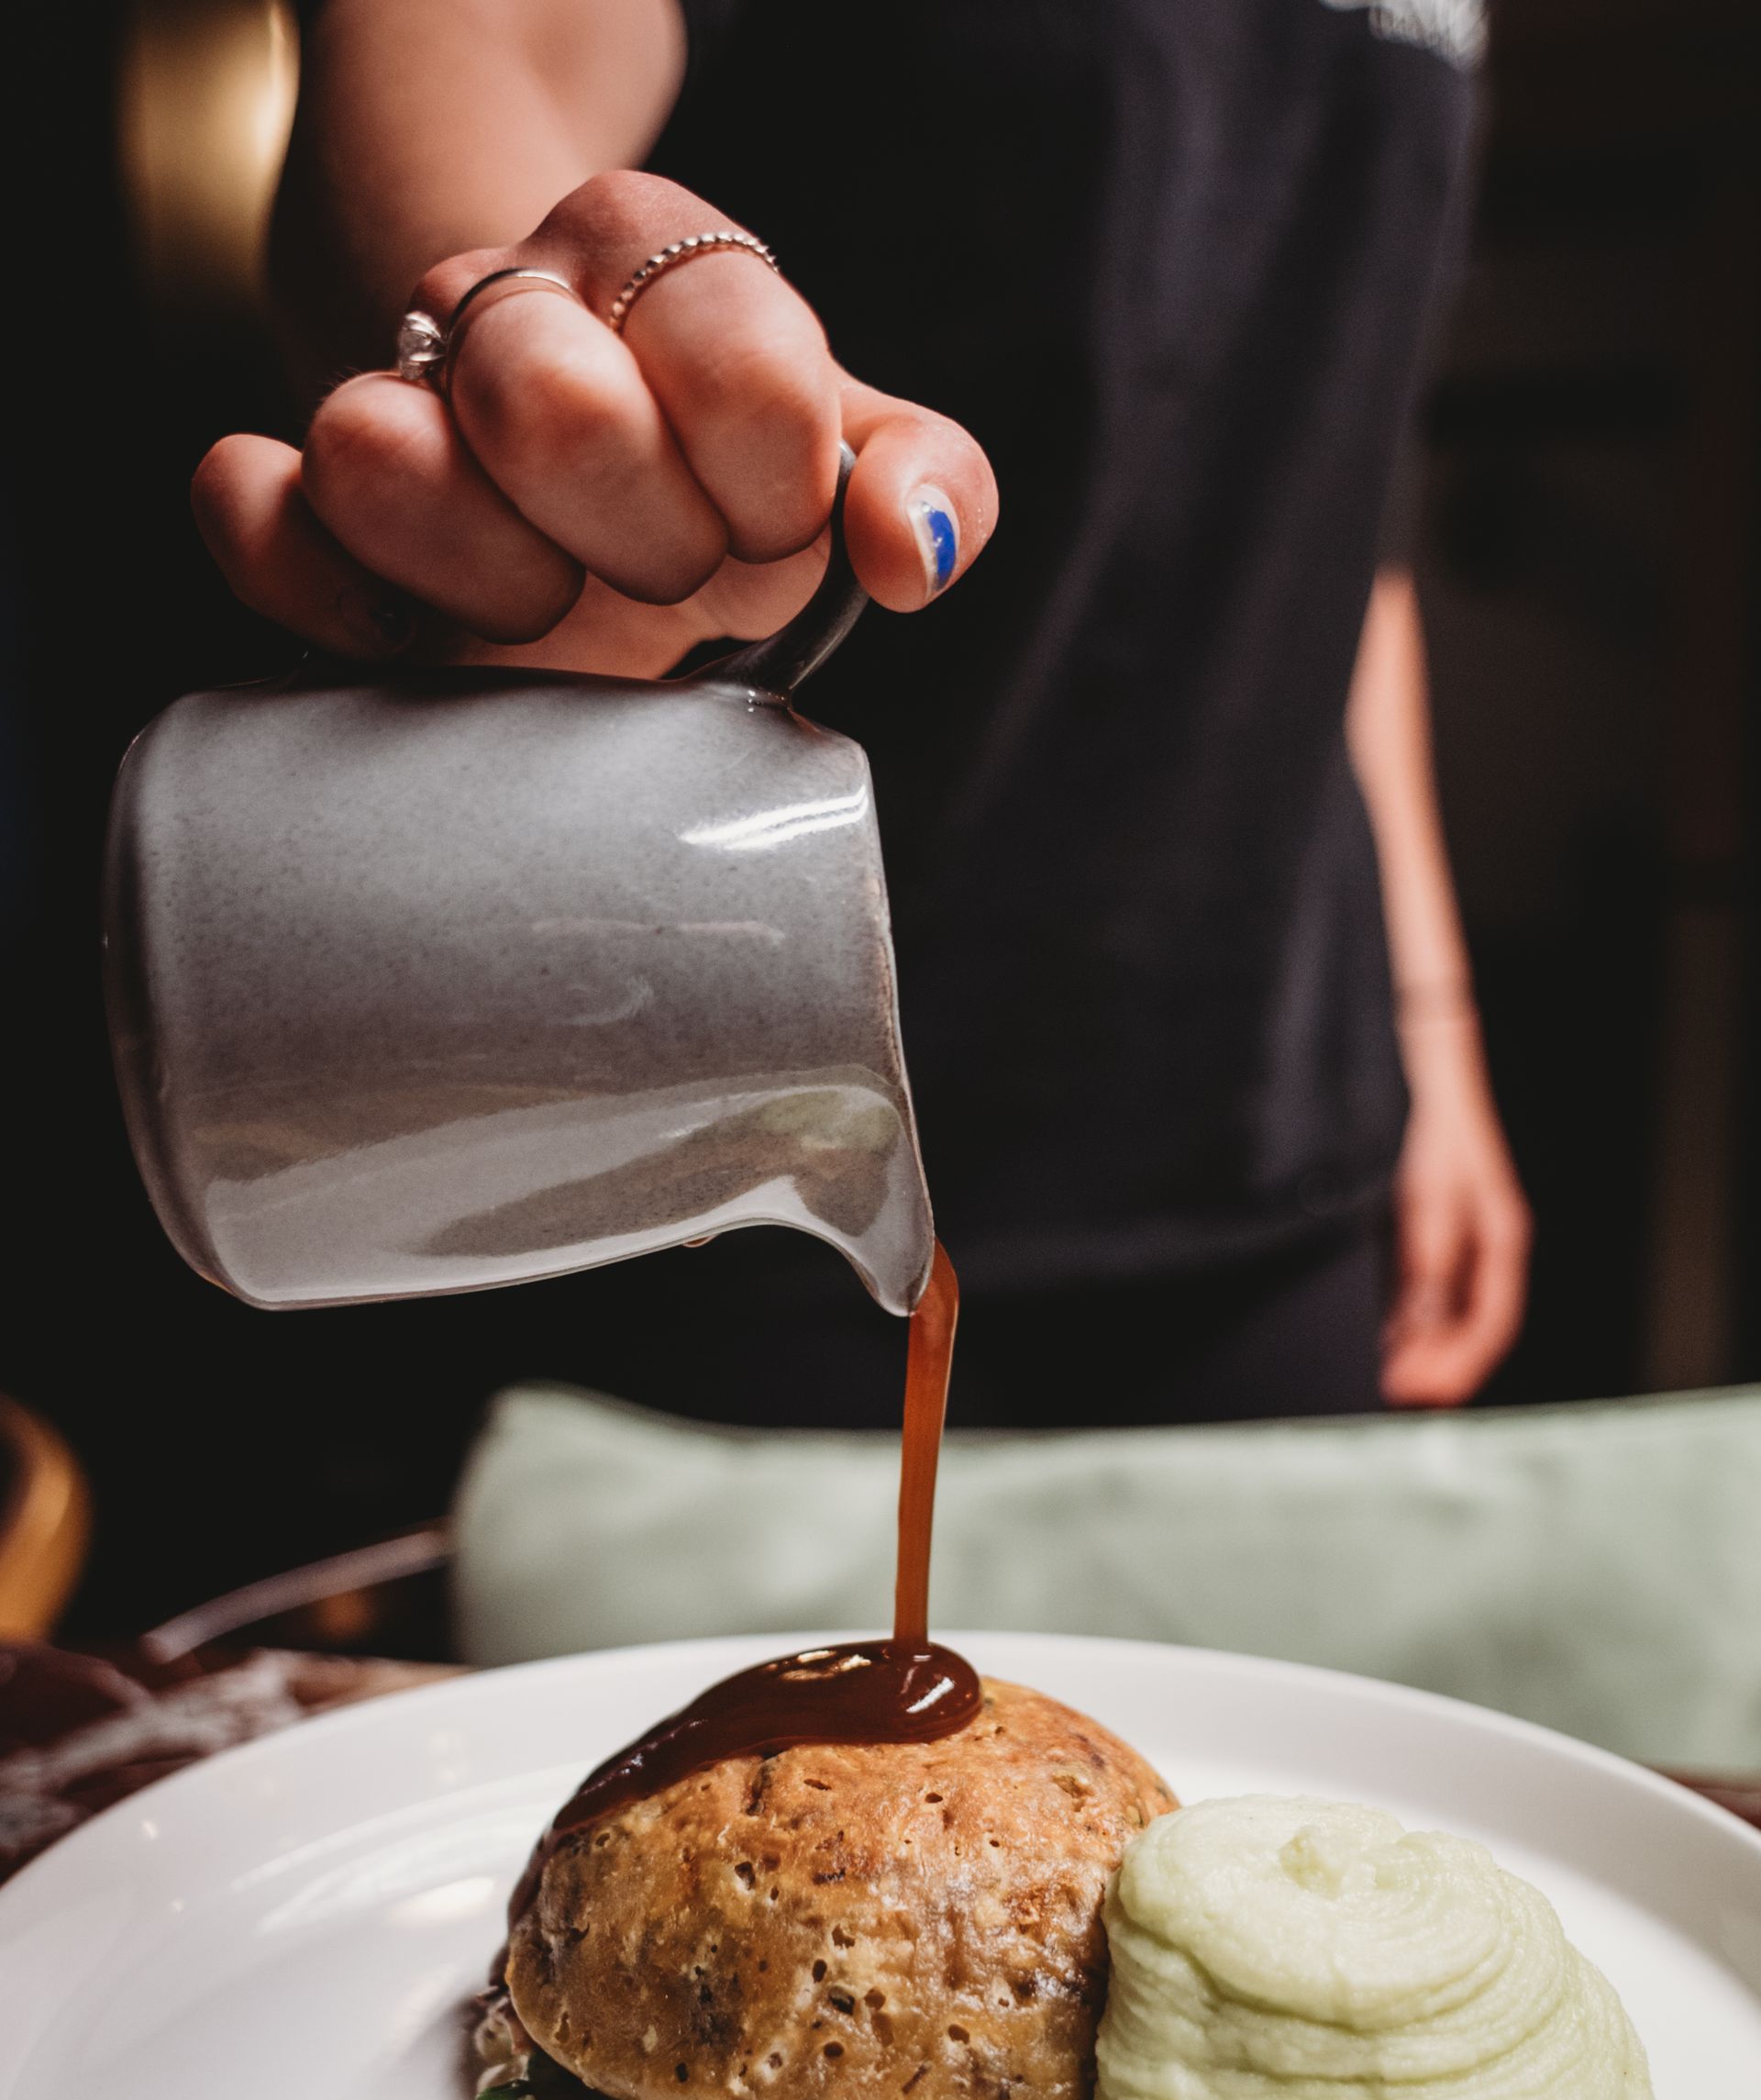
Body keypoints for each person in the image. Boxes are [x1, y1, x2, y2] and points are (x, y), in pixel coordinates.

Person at [194, 0, 1530, 1433]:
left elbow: (1339, 511)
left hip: (1272, 1148)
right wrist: (542, 384)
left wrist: (1429, 1035)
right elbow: (465, 72)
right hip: (731, 1138)